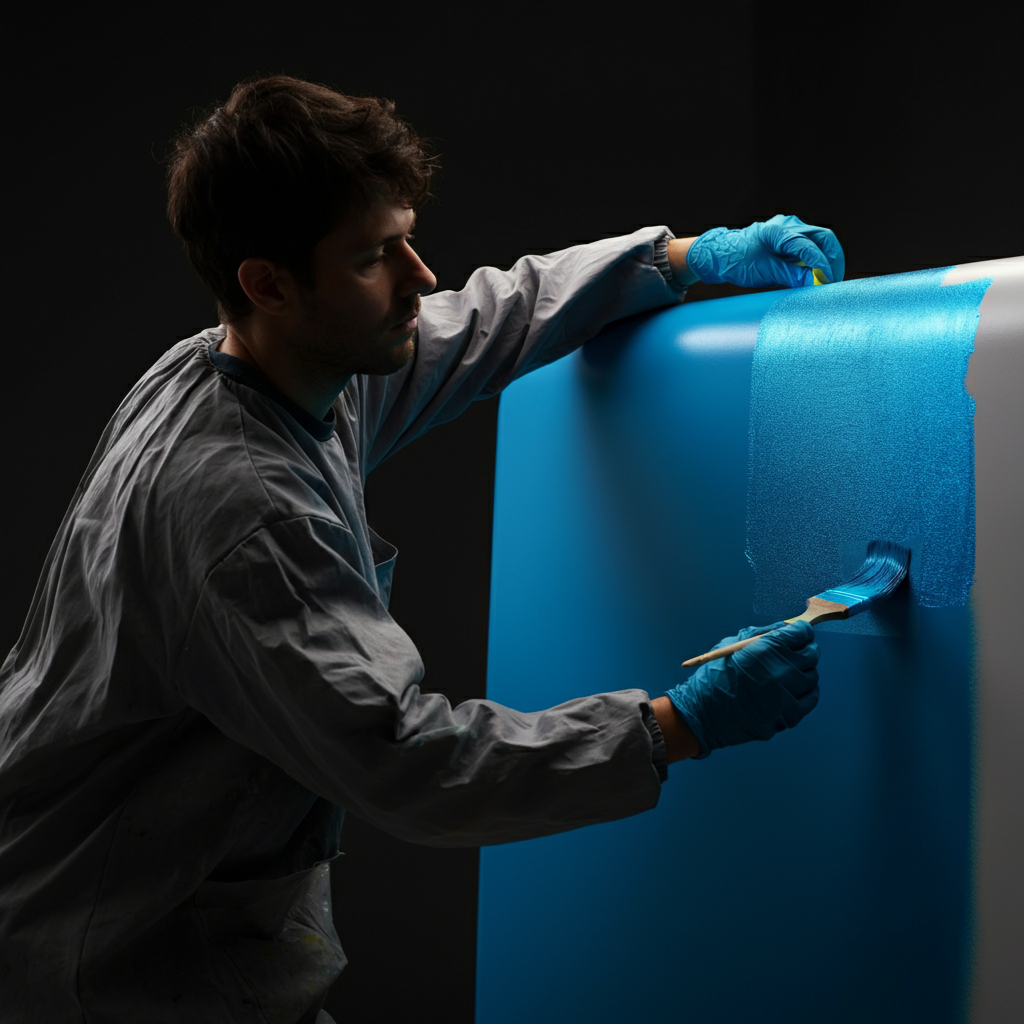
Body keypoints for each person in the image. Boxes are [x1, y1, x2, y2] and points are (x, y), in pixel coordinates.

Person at [0, 76, 839, 1023]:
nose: (421, 275)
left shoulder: (266, 365)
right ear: (268, 283)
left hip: (137, 919)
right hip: (108, 961)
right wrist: (679, 724)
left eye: (405, 237)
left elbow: (487, 320)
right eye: (373, 257)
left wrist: (678, 259)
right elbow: (414, 766)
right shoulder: (246, 514)